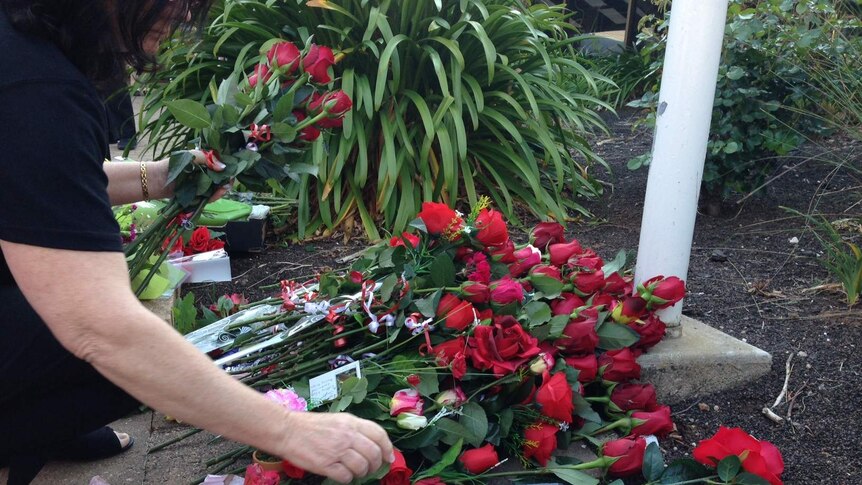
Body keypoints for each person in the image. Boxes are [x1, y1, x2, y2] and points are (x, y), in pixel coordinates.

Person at [0, 1, 393, 484]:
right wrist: (289, 430)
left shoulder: (24, 44)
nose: (186, 15)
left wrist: (165, 176)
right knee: (116, 367)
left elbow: (46, 178)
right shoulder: (37, 89)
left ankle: (38, 429)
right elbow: (96, 327)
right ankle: (19, 433)